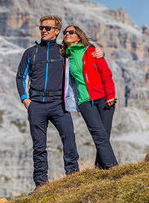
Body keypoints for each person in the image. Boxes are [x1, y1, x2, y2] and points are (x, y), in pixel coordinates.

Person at [15, 15, 103, 191]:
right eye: (41, 28)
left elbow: (84, 55)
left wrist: (101, 53)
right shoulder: (30, 53)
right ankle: (41, 186)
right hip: (36, 105)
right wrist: (26, 100)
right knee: (39, 147)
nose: (44, 31)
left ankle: (73, 181)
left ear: (56, 32)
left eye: (48, 28)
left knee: (69, 139)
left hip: (59, 104)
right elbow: (20, 77)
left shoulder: (65, 51)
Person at [62, 25, 118, 169]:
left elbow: (106, 73)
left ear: (79, 36)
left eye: (70, 32)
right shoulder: (66, 56)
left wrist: (110, 94)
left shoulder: (91, 51)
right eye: (65, 32)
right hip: (85, 102)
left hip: (104, 98)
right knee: (99, 135)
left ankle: (100, 167)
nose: (66, 34)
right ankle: (113, 168)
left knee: (104, 135)